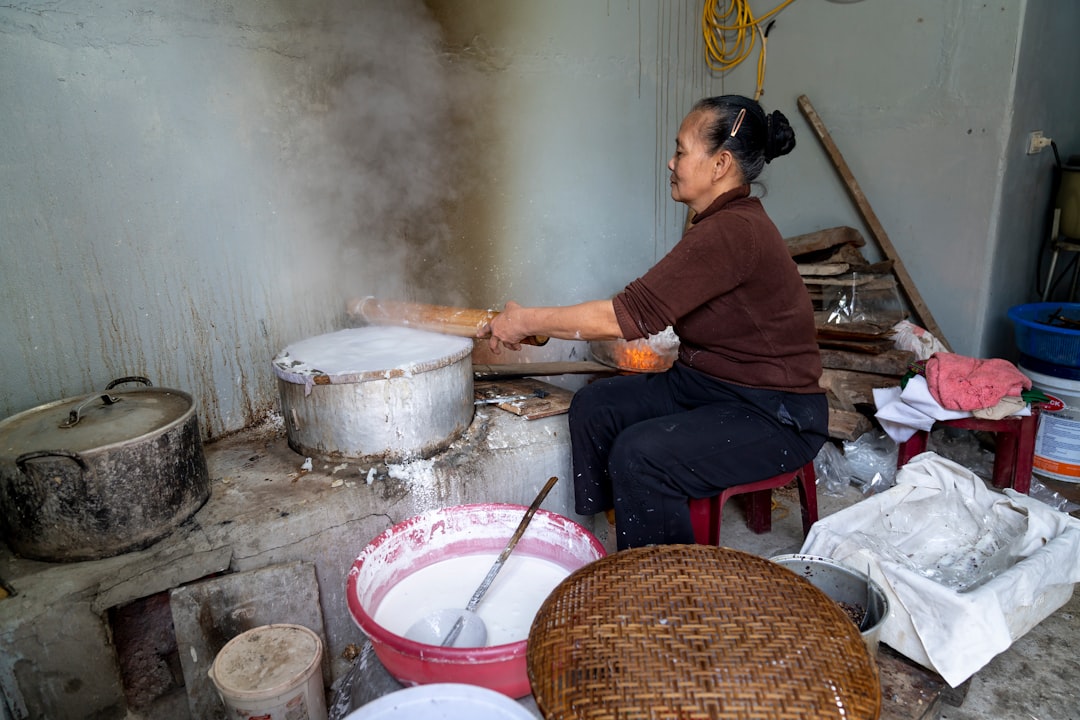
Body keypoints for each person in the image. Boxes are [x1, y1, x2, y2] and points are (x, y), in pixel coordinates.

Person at [483, 95, 827, 550]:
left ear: (720, 163)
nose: (671, 161)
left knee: (641, 455)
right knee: (596, 407)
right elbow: (644, 307)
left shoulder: (733, 231)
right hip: (706, 385)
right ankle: (617, 540)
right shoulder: (716, 222)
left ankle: (663, 588)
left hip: (776, 412)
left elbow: (626, 315)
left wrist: (525, 318)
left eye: (682, 151)